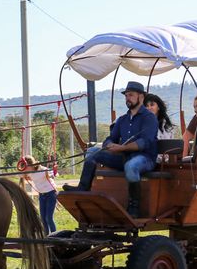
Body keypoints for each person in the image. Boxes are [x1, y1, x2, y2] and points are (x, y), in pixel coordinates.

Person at [63, 81, 159, 217]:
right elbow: (110, 138)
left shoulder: (149, 118)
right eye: (126, 95)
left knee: (131, 166)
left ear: (141, 97)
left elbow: (145, 142)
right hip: (123, 157)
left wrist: (122, 147)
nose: (128, 98)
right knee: (91, 152)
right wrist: (108, 145)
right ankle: (83, 188)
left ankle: (134, 207)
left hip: (145, 158)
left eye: (131, 95)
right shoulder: (122, 119)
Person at [19, 155, 58, 235]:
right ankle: (46, 236)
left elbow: (53, 174)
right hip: (42, 195)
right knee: (43, 218)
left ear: (31, 165)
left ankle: (55, 235)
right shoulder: (29, 173)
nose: (25, 169)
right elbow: (20, 175)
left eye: (25, 167)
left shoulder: (42, 169)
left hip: (51, 194)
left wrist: (54, 171)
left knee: (48, 218)